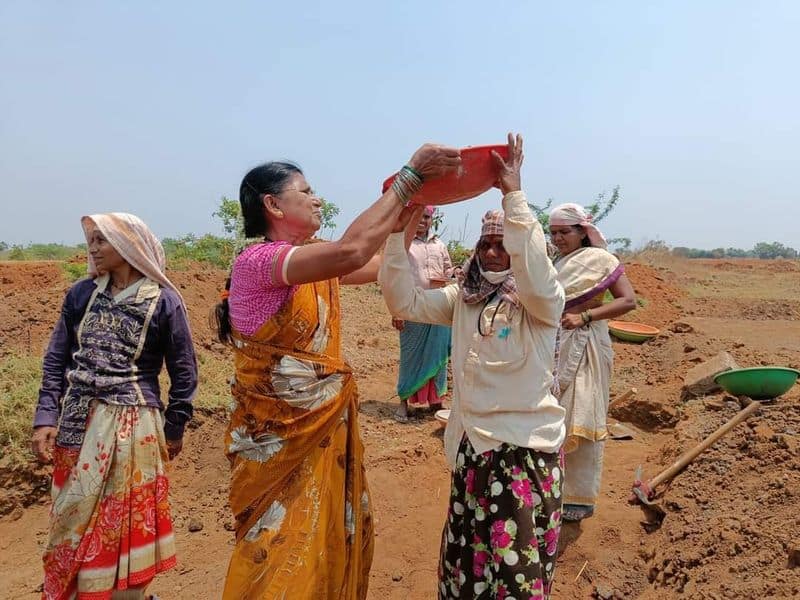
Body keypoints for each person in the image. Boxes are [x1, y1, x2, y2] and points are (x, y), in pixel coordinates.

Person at [213, 144, 461, 599]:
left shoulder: (308, 261)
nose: (317, 199)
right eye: (306, 191)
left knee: (321, 532)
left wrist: (409, 214)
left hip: (318, 428)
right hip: (280, 438)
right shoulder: (260, 262)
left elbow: (377, 264)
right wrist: (409, 177)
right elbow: (351, 251)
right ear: (273, 205)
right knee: (278, 541)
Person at [379, 134, 567, 599]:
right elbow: (404, 299)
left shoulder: (540, 303)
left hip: (521, 453)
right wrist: (398, 230)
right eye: (486, 243)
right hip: (471, 449)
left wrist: (512, 195)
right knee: (468, 566)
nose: (492, 252)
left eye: (503, 244)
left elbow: (536, 269)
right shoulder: (462, 299)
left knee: (514, 575)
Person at [31, 213, 198, 600]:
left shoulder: (163, 301)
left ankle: (125, 595)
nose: (92, 248)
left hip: (133, 427)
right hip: (76, 423)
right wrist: (45, 417)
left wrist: (175, 427)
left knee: (120, 524)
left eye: (101, 241)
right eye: (91, 241)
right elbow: (57, 359)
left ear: (128, 246)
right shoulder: (81, 295)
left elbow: (184, 371)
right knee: (71, 518)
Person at [548, 203, 636, 522]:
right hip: (557, 343)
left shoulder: (601, 260)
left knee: (583, 415)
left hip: (588, 345)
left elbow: (628, 301)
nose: (558, 238)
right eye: (553, 232)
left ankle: (580, 497)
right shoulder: (557, 262)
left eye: (564, 232)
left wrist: (585, 316)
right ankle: (553, 487)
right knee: (555, 415)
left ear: (582, 232)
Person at [391, 205, 453, 422]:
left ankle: (436, 401)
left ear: (431, 219)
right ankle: (403, 401)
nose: (422, 221)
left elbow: (448, 272)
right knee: (410, 355)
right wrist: (396, 311)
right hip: (412, 307)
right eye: (419, 217)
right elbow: (393, 278)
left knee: (439, 356)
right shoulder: (404, 245)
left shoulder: (440, 245)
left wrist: (451, 276)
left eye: (426, 217)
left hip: (439, 307)